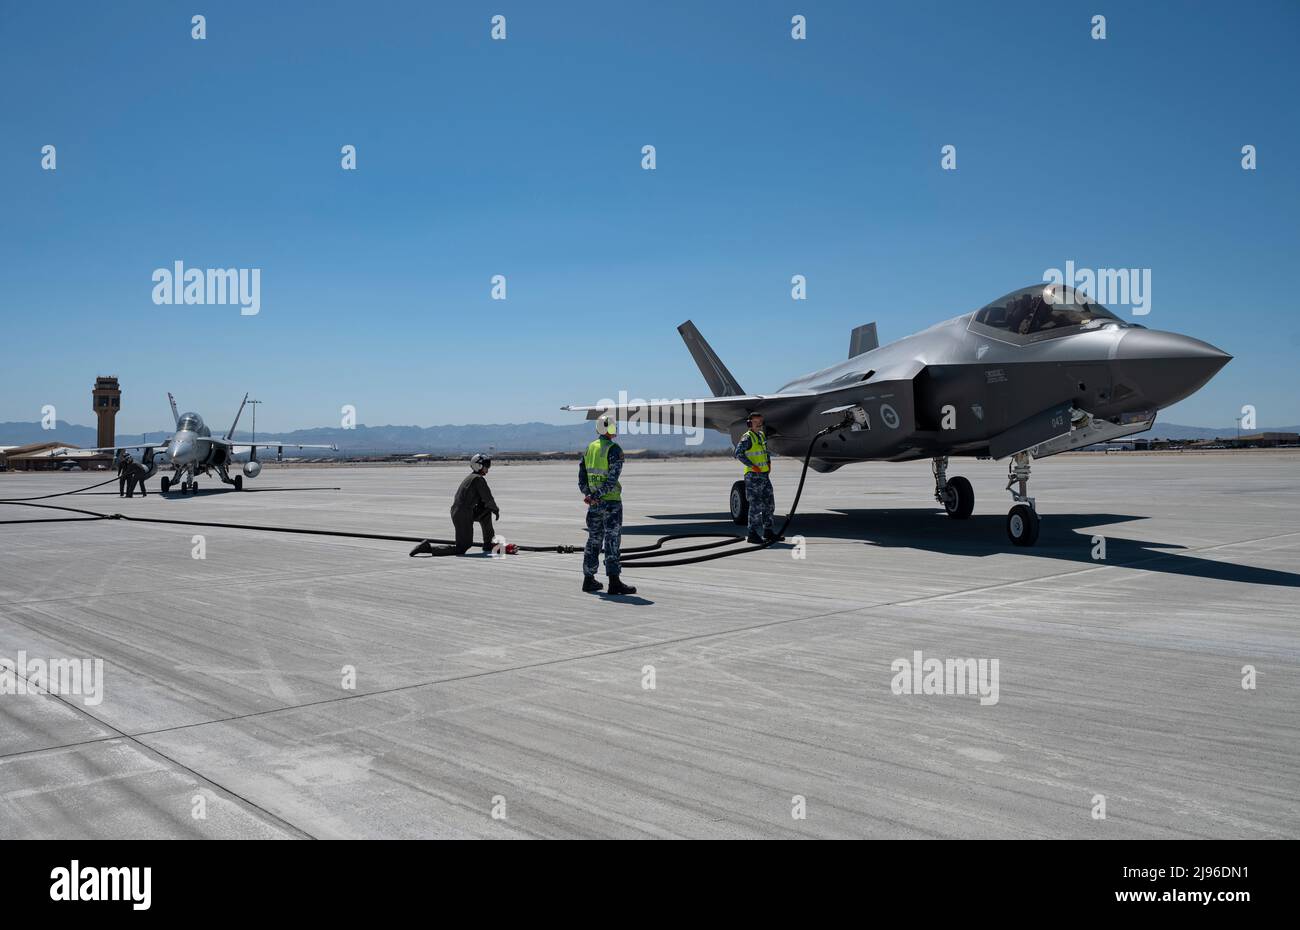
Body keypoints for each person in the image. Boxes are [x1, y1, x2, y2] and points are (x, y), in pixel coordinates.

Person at [579, 415, 636, 595]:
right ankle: (614, 581)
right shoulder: (614, 450)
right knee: (612, 541)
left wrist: (589, 494)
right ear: (611, 429)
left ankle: (588, 579)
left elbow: (582, 477)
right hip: (610, 503)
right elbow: (612, 480)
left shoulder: (590, 448)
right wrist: (597, 495)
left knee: (594, 540)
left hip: (594, 504)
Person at [410, 453, 501, 556]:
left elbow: (483, 501)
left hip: (464, 512)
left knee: (485, 513)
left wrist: (491, 509)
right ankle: (427, 548)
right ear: (478, 466)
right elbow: (487, 498)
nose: (487, 469)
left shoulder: (472, 477)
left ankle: (488, 544)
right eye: (486, 466)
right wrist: (496, 510)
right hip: (462, 514)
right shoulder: (478, 479)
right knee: (462, 548)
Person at [735, 411, 778, 544]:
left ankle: (768, 531)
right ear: (749, 423)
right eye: (756, 422)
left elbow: (765, 452)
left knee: (769, 504)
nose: (759, 424)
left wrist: (769, 463)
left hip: (764, 475)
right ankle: (752, 533)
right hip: (753, 476)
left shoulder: (761, 435)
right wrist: (752, 466)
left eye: (760, 422)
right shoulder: (747, 438)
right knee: (755, 506)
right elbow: (738, 453)